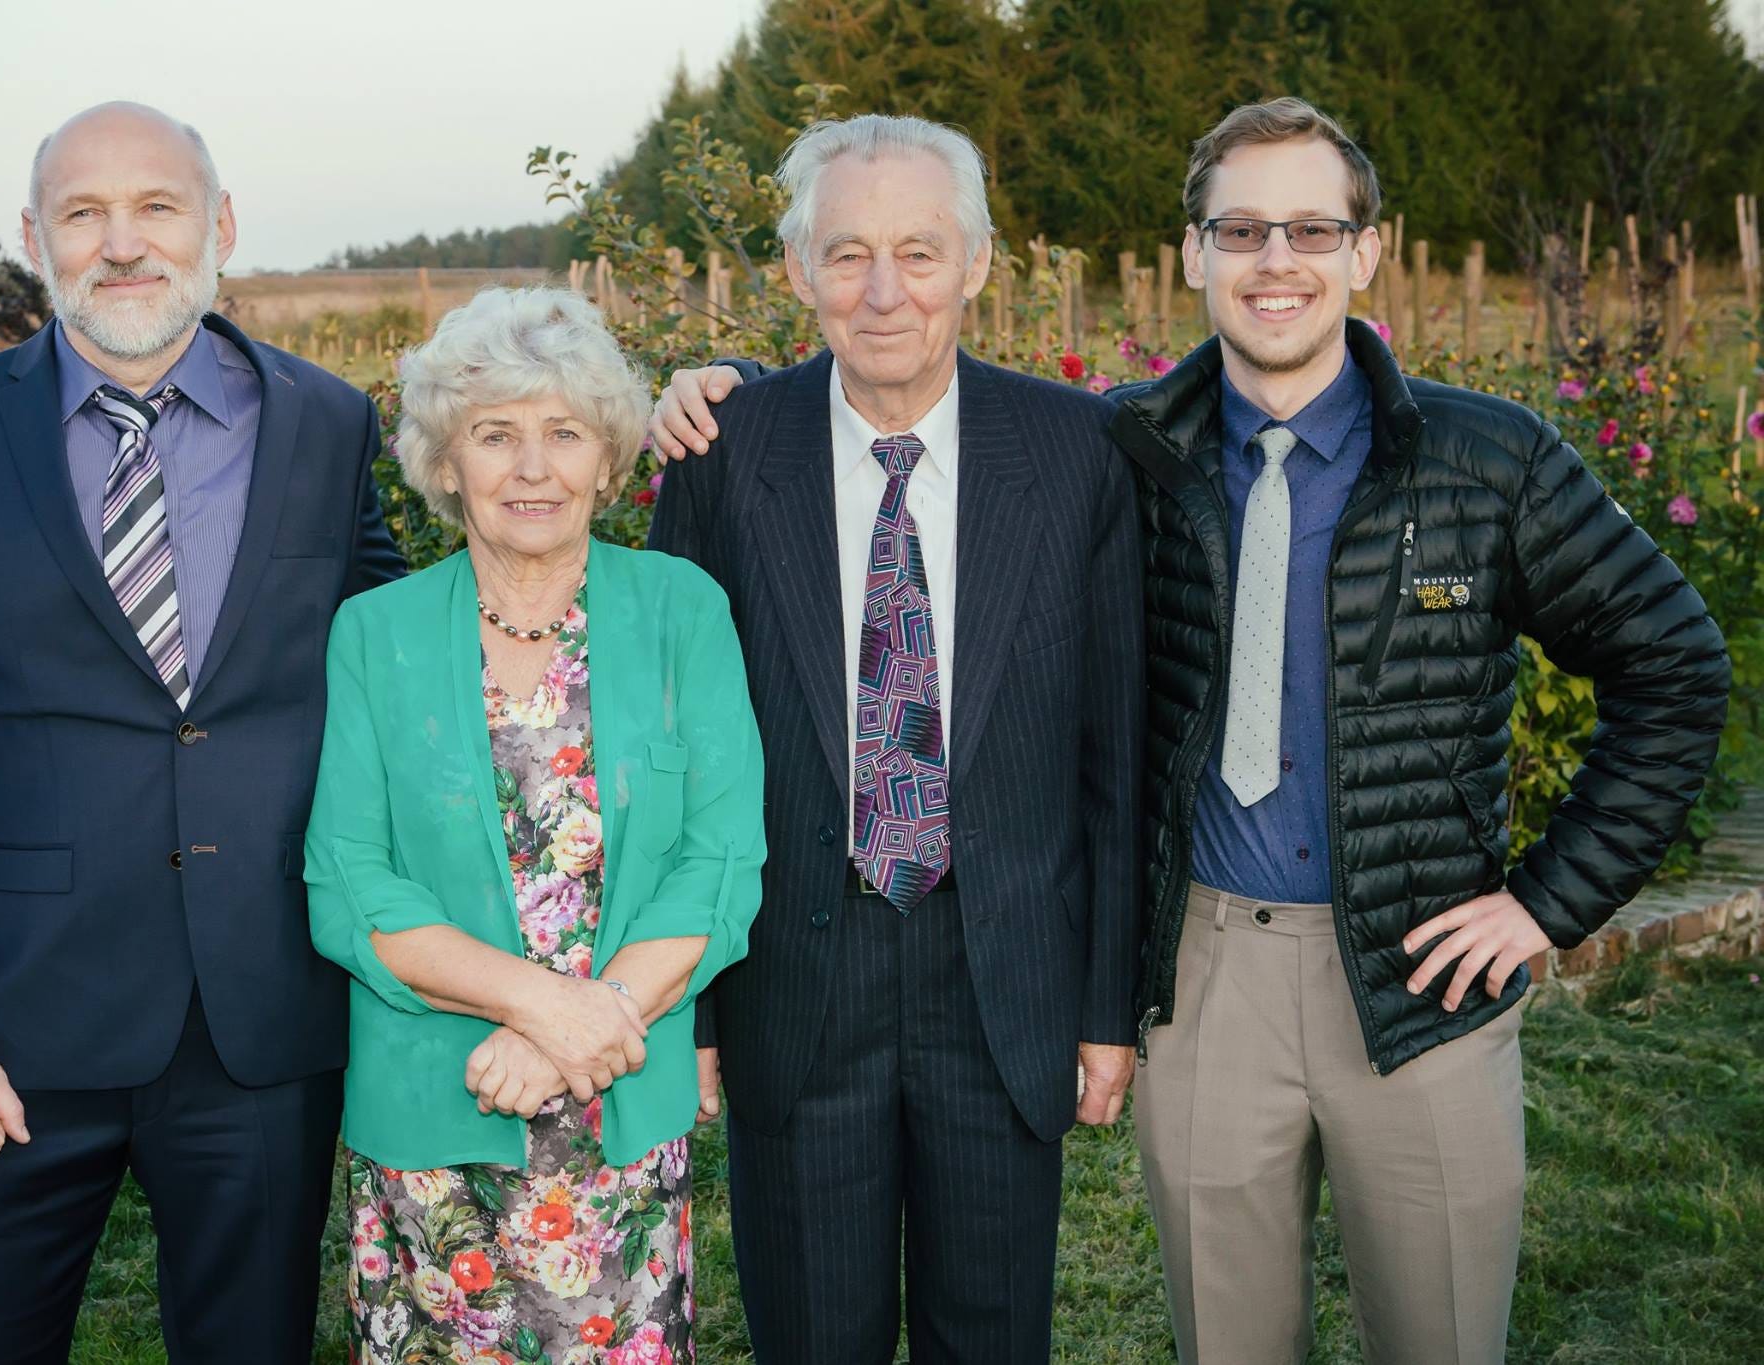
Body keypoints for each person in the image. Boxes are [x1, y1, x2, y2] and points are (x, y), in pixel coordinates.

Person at [654, 96, 1734, 1365]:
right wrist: (715, 391)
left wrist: (1545, 905)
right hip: (1121, 973)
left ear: (1365, 250)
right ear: (1192, 254)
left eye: (1309, 229)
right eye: (1240, 230)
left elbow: (1672, 663)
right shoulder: (1099, 448)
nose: (1275, 260)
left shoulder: (1443, 458)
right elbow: (700, 729)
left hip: (1357, 975)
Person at [0, 101, 403, 1363]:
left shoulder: (325, 423)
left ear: (221, 225)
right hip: (10, 1030)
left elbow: (403, 652)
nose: (123, 242)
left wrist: (698, 410)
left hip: (262, 1020)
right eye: (84, 212)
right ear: (35, 236)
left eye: (157, 206)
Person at [646, 114, 1145, 1361]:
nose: (883, 292)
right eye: (846, 253)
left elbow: (1113, 753)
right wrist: (685, 1008)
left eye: (918, 252)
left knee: (992, 1334)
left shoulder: (1077, 451)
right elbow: (672, 748)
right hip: (791, 978)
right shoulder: (720, 453)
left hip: (1004, 973)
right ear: (795, 269)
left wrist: (1105, 1007)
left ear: (977, 263)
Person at [302, 285, 766, 1362]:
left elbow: (721, 859)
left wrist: (587, 1027)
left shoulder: (684, 610)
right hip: (435, 1119)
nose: (531, 467)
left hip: (618, 1116)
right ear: (444, 462)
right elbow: (349, 879)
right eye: (494, 434)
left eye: (563, 433)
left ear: (606, 460)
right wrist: (544, 1009)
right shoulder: (374, 632)